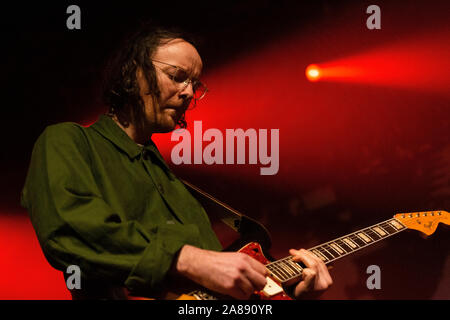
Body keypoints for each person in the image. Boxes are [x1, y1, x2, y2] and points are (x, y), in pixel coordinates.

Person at [20, 24, 332, 300]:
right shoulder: (68, 141)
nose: (188, 92)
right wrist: (188, 259)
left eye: (194, 84)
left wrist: (294, 295)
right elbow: (69, 230)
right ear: (133, 72)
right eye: (177, 76)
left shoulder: (178, 188)